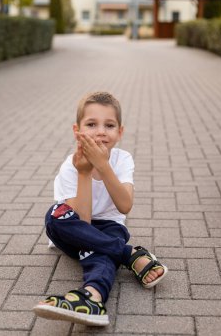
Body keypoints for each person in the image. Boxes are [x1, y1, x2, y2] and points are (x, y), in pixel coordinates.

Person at [33, 92, 168, 326]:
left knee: (101, 256)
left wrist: (103, 166)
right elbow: (83, 223)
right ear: (77, 130)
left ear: (120, 132)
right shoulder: (70, 166)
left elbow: (124, 206)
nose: (101, 131)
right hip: (75, 228)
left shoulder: (123, 159)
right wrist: (84, 172)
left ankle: (92, 299)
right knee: (54, 215)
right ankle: (128, 254)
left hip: (109, 227)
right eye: (91, 124)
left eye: (109, 125)